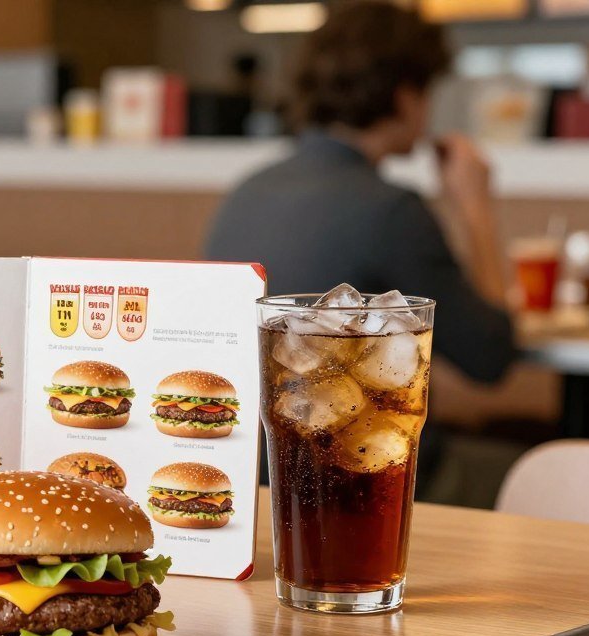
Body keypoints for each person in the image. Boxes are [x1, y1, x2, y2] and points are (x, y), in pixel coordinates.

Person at [205, 0, 515, 384]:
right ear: (405, 97)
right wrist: (475, 208)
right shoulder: (392, 211)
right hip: (357, 440)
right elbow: (491, 357)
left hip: (255, 438)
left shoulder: (247, 190)